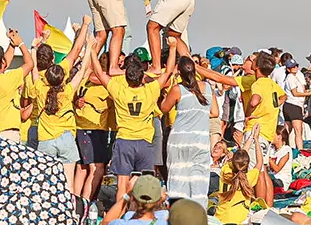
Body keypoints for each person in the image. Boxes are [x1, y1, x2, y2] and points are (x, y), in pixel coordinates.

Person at [90, 37, 177, 201]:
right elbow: (168, 72)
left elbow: (100, 74)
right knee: (144, 185)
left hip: (124, 141)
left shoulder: (119, 91)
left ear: (126, 77)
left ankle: (120, 212)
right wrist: (172, 48)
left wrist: (92, 51)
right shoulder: (150, 90)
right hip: (144, 142)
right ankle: (140, 212)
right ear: (142, 76)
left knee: (121, 185)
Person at [33, 44, 93, 189]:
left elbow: (33, 69)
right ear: (62, 78)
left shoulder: (40, 89)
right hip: (66, 138)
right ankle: (69, 204)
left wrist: (33, 49)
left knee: (45, 184)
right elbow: (82, 70)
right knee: (68, 184)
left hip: (46, 140)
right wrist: (89, 47)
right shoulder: (68, 91)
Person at [160, 56, 213, 208]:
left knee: (177, 178)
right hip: (200, 141)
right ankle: (198, 213)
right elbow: (214, 112)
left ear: (179, 71)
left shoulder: (177, 89)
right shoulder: (207, 88)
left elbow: (164, 108)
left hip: (179, 140)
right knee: (199, 180)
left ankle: (177, 213)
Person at [0, 29, 34, 144]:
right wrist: (20, 43)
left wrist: (12, 44)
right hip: (7, 134)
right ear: (2, 61)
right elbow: (30, 64)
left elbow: (5, 63)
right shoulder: (8, 79)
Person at [74, 53, 114, 200]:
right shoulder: (106, 85)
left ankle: (75, 201)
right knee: (97, 168)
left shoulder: (84, 79)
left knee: (82, 167)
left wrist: (76, 102)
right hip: (93, 129)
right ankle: (85, 201)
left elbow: (76, 97)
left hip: (82, 128)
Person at [214, 127, 265, 225]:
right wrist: (256, 139)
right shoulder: (248, 178)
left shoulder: (226, 170)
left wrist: (250, 137)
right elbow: (259, 162)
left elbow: (239, 158)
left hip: (220, 219)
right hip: (237, 222)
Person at [102, 174, 169, 225]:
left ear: (132, 198)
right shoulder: (166, 223)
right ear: (159, 200)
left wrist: (127, 195)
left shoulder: (121, 224)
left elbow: (106, 222)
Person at [281, 58, 311, 150]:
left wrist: (310, 91)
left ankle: (284, 148)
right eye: (292, 67)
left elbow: (300, 91)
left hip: (290, 105)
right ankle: (300, 150)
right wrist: (308, 94)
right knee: (298, 131)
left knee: (288, 130)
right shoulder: (290, 78)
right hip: (293, 105)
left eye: (296, 66)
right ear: (288, 69)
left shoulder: (295, 77)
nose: (295, 68)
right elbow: (295, 93)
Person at [267, 125, 293, 191]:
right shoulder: (271, 149)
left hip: (281, 179)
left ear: (279, 137)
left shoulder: (286, 150)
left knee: (273, 182)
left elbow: (277, 169)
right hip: (271, 176)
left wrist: (268, 159)